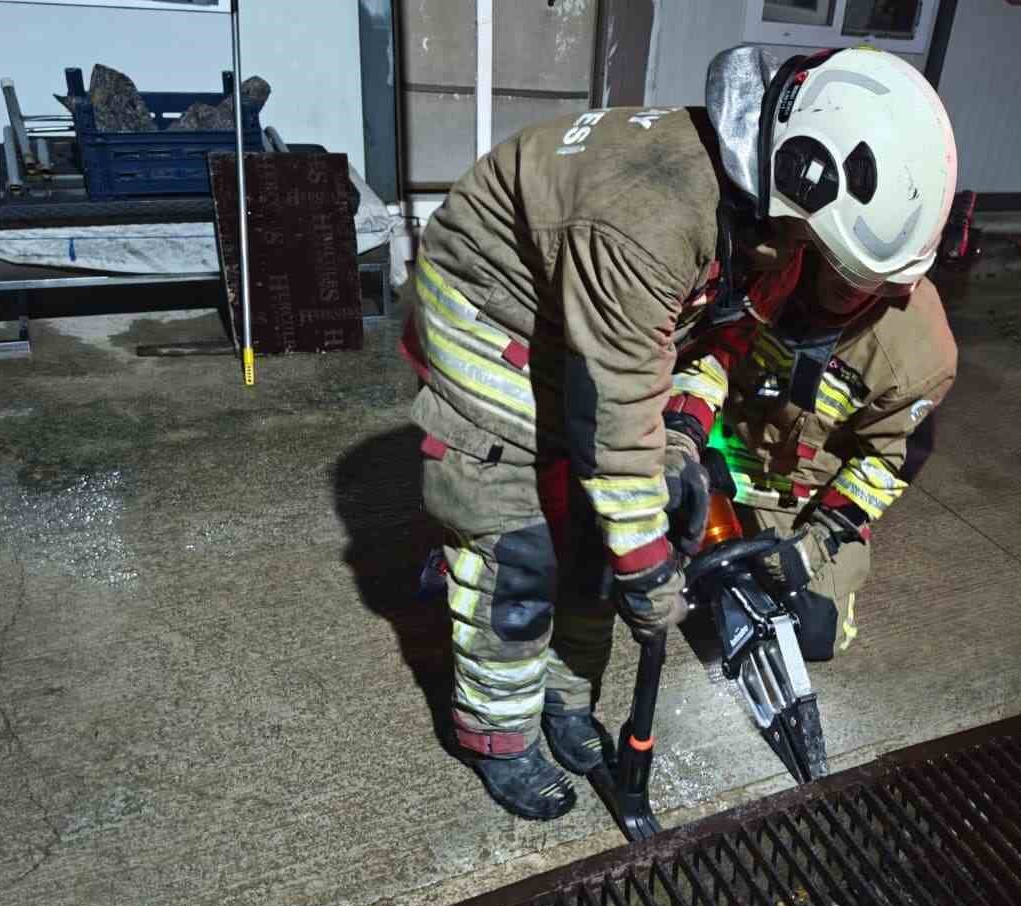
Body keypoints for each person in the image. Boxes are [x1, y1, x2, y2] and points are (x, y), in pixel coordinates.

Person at [402, 44, 958, 820]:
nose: (831, 288)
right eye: (834, 265)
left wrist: (682, 448)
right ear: (806, 175)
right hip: (490, 309)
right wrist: (649, 567)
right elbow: (619, 411)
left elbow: (716, 341)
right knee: (516, 544)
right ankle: (498, 733)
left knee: (605, 527)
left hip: (587, 316)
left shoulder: (774, 214)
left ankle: (566, 699)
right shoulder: (651, 219)